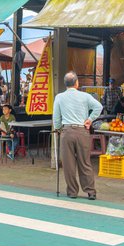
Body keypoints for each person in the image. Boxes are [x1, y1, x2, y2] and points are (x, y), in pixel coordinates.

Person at [53, 71, 103, 200]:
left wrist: (58, 128)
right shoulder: (85, 96)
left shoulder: (59, 97)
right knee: (85, 162)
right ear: (76, 83)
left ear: (65, 84)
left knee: (68, 164)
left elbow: (56, 117)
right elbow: (98, 107)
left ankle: (72, 192)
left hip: (67, 131)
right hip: (82, 131)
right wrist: (90, 119)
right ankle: (91, 191)